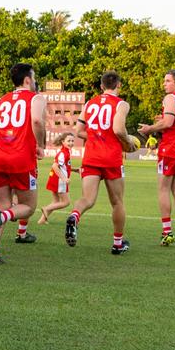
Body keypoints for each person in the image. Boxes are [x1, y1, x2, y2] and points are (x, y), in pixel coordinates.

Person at [0, 63, 47, 265]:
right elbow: (36, 121)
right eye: (33, 78)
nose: (34, 82)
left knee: (1, 204)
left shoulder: (2, 100)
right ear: (27, 79)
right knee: (28, 206)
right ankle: (2, 216)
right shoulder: (35, 98)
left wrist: (9, 135)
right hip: (22, 159)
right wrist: (41, 145)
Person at [65, 71, 134, 254]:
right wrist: (128, 143)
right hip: (111, 157)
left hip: (91, 157)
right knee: (117, 202)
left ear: (102, 86)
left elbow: (78, 130)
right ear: (119, 85)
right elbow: (119, 129)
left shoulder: (90, 103)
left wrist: (96, 137)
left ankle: (74, 216)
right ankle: (118, 244)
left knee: (87, 199)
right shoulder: (121, 104)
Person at [138, 69, 175, 248]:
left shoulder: (171, 98)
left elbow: (168, 123)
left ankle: (167, 233)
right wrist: (164, 120)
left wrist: (150, 128)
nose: (164, 84)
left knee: (163, 189)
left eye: (167, 81)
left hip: (170, 149)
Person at [36, 134, 76, 225]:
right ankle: (46, 208)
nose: (71, 143)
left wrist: (74, 170)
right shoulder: (63, 153)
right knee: (66, 202)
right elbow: (55, 166)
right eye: (68, 141)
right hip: (59, 180)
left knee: (55, 202)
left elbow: (64, 166)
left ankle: (42, 220)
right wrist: (64, 178)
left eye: (72, 141)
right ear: (63, 142)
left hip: (55, 178)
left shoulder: (66, 152)